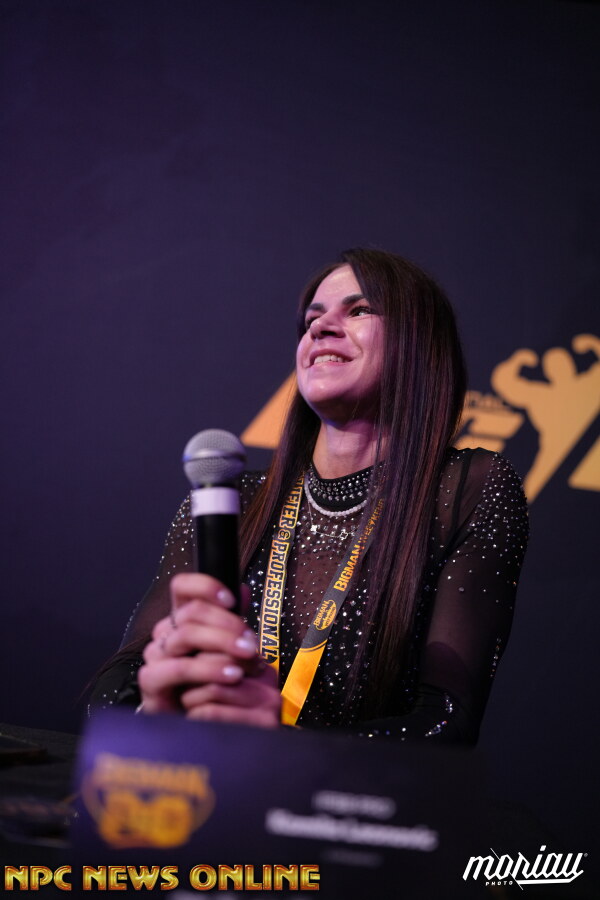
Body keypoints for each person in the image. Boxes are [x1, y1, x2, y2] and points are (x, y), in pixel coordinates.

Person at [90, 248, 529, 743]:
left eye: (359, 310)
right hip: (207, 782)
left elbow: (446, 721)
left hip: (345, 794)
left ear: (420, 344)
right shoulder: (232, 503)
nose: (320, 328)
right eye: (311, 320)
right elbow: (112, 690)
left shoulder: (467, 487)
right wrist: (156, 703)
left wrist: (279, 746)